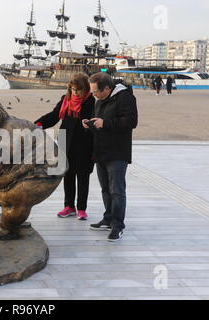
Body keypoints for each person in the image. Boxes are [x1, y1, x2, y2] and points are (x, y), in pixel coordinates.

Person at [82, 72, 138, 242]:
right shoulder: (100, 100)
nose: (93, 95)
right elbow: (100, 124)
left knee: (117, 191)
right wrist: (90, 124)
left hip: (118, 152)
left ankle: (118, 226)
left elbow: (131, 121)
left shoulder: (124, 97)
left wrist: (105, 123)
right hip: (101, 151)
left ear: (107, 88)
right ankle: (108, 218)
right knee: (106, 189)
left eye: (95, 91)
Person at [35, 73, 96, 221]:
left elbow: (94, 123)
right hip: (65, 140)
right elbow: (54, 115)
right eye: (73, 89)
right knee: (68, 175)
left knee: (83, 177)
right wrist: (38, 124)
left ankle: (81, 208)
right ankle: (69, 206)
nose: (75, 92)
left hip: (84, 142)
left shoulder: (91, 102)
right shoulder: (65, 100)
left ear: (85, 89)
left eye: (78, 89)